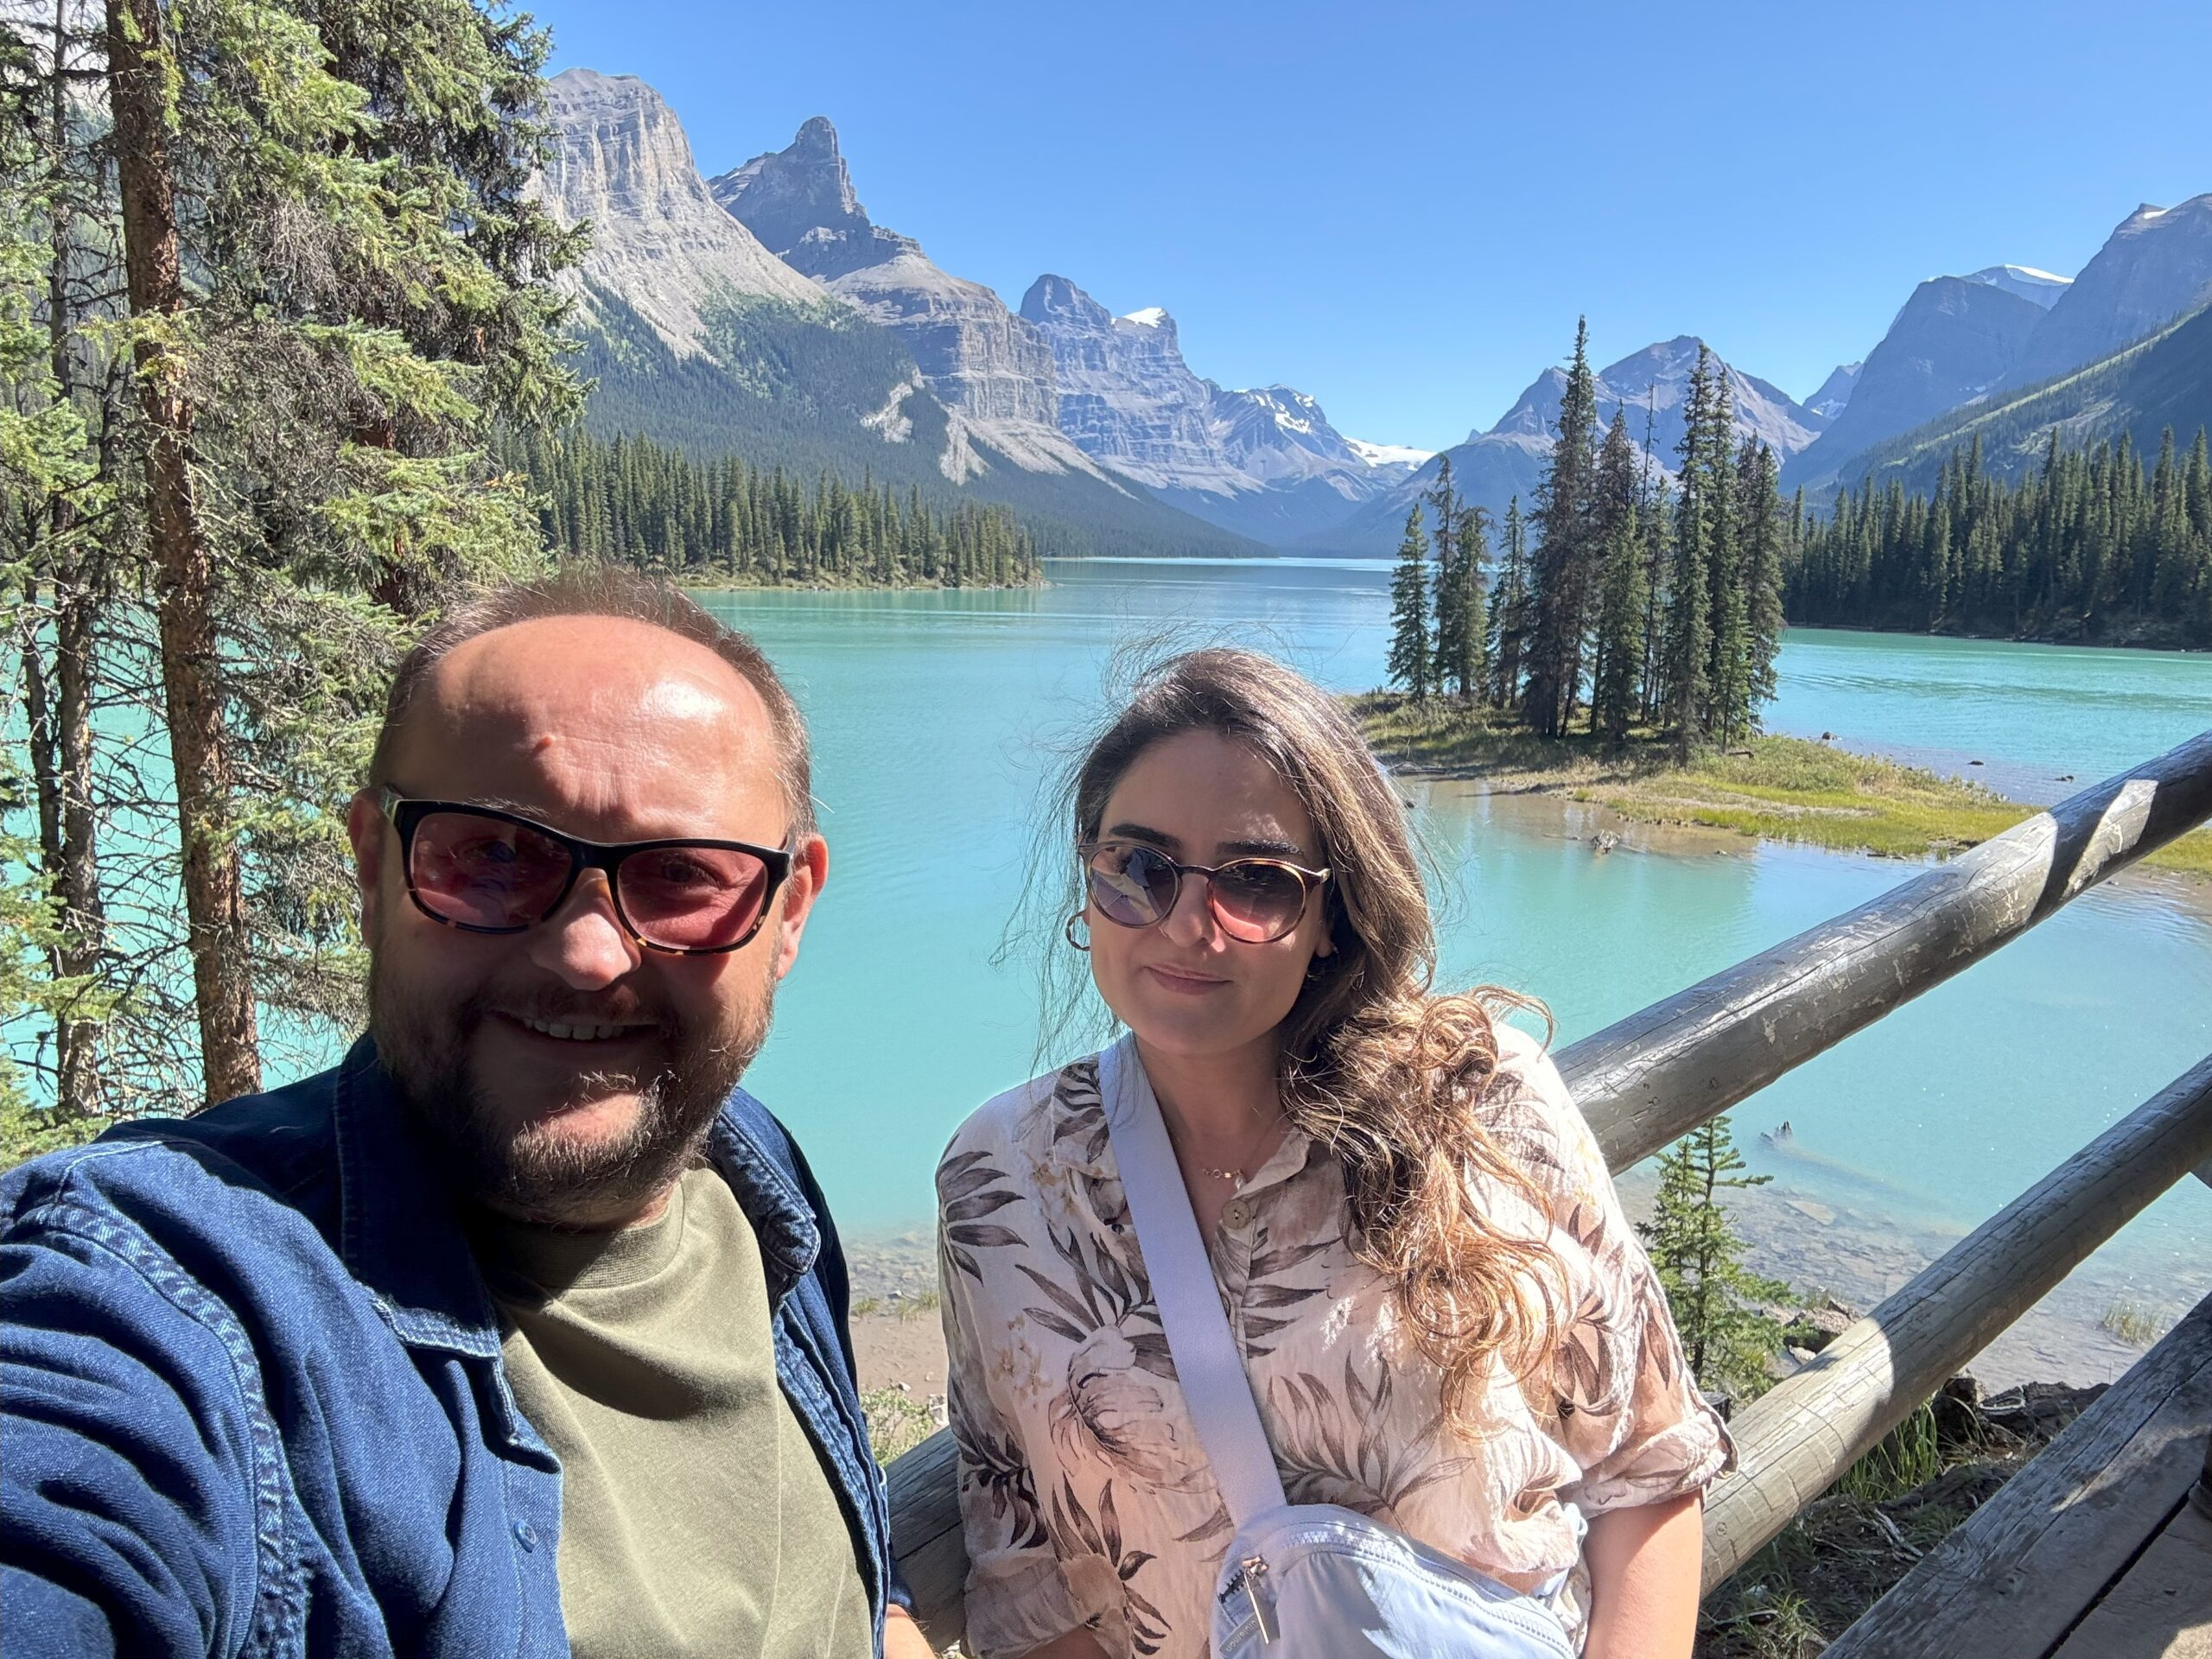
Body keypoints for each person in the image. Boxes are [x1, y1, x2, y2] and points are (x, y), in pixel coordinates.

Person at [2, 569, 936, 1659]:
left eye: (683, 874)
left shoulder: (752, 1177)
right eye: (492, 856)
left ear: (788, 911)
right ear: (370, 866)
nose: (590, 957)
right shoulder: (174, 1297)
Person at [936, 649, 1731, 1659]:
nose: (1187, 923)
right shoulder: (1001, 1179)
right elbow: (1029, 1583)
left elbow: (1646, 1466)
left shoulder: (1484, 1108)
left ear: (1329, 917)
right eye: (1139, 868)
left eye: (1255, 883)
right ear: (1089, 881)